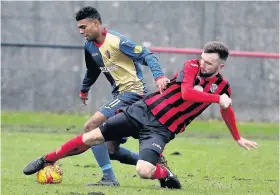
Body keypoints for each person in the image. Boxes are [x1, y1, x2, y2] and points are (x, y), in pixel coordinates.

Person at [23, 41, 258, 189]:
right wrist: (218, 99)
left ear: (221, 67)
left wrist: (237, 137)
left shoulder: (224, 88)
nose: (203, 65)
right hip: (142, 110)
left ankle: (164, 173)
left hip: (161, 129)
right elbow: (187, 93)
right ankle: (48, 159)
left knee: (144, 171)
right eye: (203, 59)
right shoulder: (191, 66)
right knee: (92, 137)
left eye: (209, 63)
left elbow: (227, 111)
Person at [74, 6, 170, 186]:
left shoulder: (118, 41)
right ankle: (157, 168)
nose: (81, 31)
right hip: (120, 95)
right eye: (79, 28)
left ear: (96, 23)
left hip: (134, 93)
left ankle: (109, 178)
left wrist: (159, 76)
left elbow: (147, 54)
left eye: (84, 27)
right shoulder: (89, 46)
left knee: (91, 126)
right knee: (110, 149)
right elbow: (93, 69)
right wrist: (84, 89)